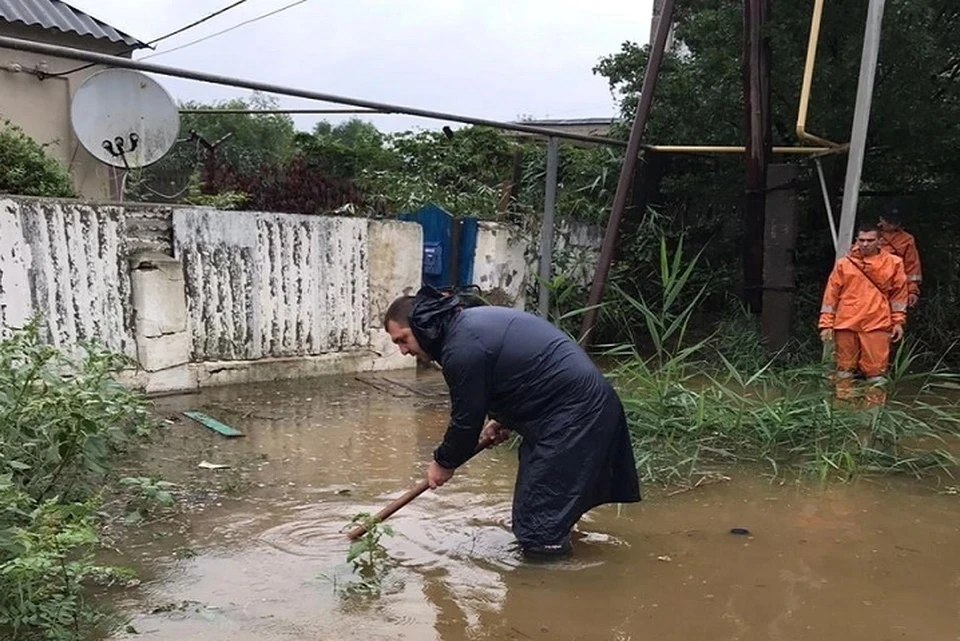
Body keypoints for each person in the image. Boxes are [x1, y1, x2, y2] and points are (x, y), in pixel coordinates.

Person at [383, 286, 641, 559]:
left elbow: (465, 422)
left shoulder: (461, 348)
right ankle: (558, 557)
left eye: (403, 339)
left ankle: (546, 588)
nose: (403, 351)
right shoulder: (465, 329)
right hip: (568, 413)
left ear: (423, 324)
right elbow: (518, 377)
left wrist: (443, 462)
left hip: (576, 416)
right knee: (541, 508)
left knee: (537, 525)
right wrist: (502, 420)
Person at [819, 223, 909, 406]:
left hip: (877, 323)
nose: (865, 244)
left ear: (879, 241)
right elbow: (831, 295)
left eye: (870, 240)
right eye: (862, 240)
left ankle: (873, 413)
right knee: (843, 368)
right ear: (856, 240)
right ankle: (843, 408)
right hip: (846, 322)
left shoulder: (894, 263)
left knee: (876, 372)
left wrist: (898, 321)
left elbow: (899, 294)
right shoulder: (844, 264)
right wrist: (826, 324)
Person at [878, 200, 922, 308]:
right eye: (889, 222)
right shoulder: (869, 236)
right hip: (871, 285)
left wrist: (912, 290)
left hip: (896, 286)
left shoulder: (907, 239)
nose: (892, 225)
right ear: (881, 219)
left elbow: (912, 266)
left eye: (895, 222)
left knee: (896, 318)